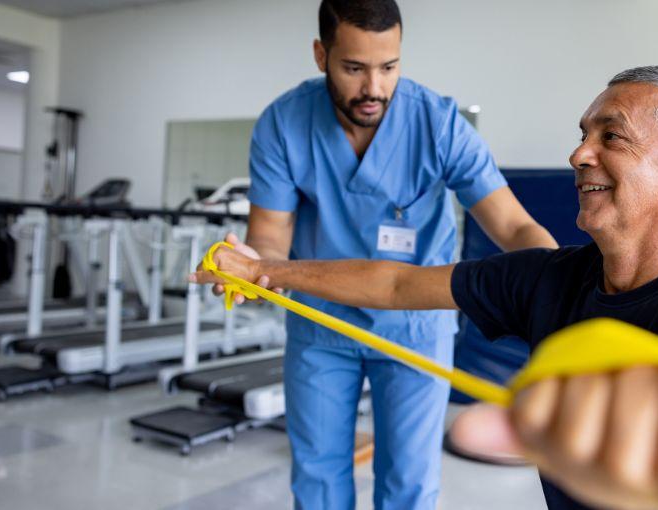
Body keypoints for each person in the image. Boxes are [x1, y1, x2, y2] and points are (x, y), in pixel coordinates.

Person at [194, 65, 658, 509]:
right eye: (582, 135)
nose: (579, 154)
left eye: (610, 136)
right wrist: (265, 270)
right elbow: (393, 282)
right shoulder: (548, 278)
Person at [220, 0, 557, 508]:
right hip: (321, 324)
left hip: (415, 326)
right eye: (354, 68)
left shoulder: (438, 124)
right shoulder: (283, 124)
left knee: (408, 481)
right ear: (321, 55)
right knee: (316, 475)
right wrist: (253, 267)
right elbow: (269, 239)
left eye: (389, 67)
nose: (374, 88)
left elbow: (513, 226)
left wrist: (558, 284)